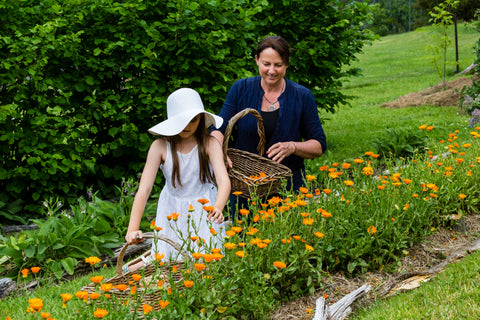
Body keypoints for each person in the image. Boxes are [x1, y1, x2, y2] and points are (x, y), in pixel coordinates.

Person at [211, 35, 327, 215]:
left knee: (288, 238)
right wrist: (218, 154)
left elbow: (319, 145)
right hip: (245, 187)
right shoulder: (240, 89)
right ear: (257, 60)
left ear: (287, 64)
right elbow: (218, 128)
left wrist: (293, 147)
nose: (271, 71)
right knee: (244, 239)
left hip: (288, 189)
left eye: (278, 65)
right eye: (266, 64)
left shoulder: (302, 96)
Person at [124, 88, 230, 272]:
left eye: (194, 120)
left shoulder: (210, 143)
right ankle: (140, 265)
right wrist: (132, 228)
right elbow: (144, 189)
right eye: (182, 121)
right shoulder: (160, 146)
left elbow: (223, 180)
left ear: (201, 119)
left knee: (206, 261)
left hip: (205, 208)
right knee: (168, 261)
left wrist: (218, 207)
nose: (188, 126)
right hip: (171, 208)